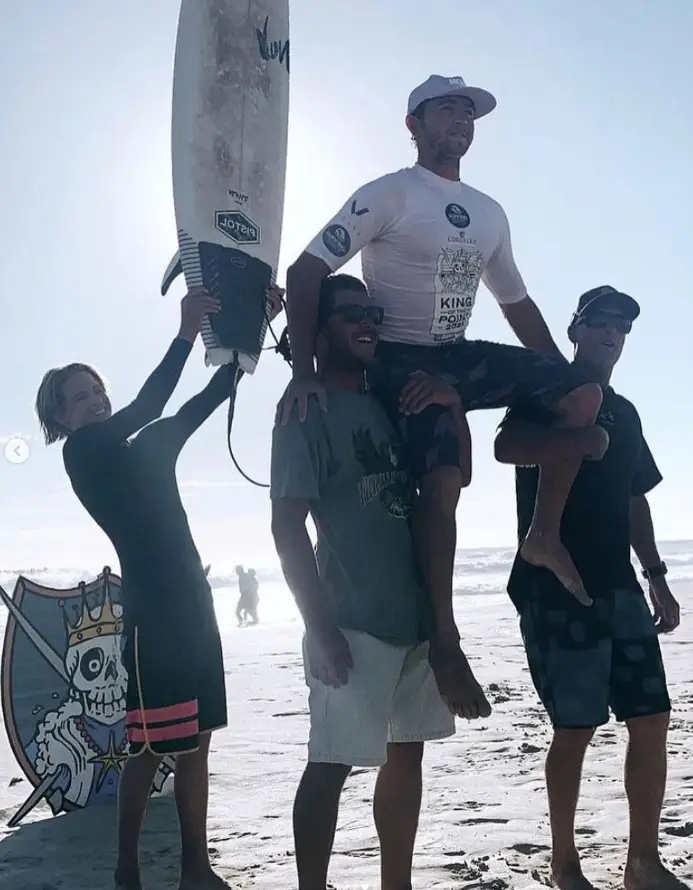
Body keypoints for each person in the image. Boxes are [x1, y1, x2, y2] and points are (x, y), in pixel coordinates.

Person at [279, 73, 601, 714]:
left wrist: (568, 377)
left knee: (584, 398)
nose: (461, 118)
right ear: (414, 124)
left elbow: (517, 304)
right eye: (446, 108)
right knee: (446, 481)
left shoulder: (488, 212)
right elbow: (307, 269)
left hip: (456, 356)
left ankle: (542, 532)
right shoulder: (389, 193)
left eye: (469, 111)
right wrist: (306, 371)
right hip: (397, 356)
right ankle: (447, 640)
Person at [35, 287, 283, 890]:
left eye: (96, 390)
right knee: (149, 747)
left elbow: (202, 402)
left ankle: (196, 866)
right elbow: (150, 402)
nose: (93, 401)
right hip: (153, 621)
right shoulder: (83, 455)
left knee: (195, 743)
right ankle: (127, 867)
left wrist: (250, 332)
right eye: (78, 398)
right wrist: (183, 332)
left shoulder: (145, 450)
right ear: (60, 418)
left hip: (195, 605)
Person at [271, 273, 487, 890]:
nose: (368, 322)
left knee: (408, 750)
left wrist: (451, 405)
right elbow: (286, 526)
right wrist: (320, 629)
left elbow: (457, 478)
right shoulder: (303, 410)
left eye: (373, 313)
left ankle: (398, 883)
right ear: (318, 329)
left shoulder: (392, 399)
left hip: (413, 613)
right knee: (331, 763)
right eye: (350, 314)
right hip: (352, 618)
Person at [495, 286, 682, 890]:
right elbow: (506, 447)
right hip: (554, 584)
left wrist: (657, 577)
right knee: (575, 727)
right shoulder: (547, 391)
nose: (611, 334)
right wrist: (575, 439)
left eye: (621, 327)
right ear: (575, 330)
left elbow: (635, 499)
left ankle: (643, 863)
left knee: (652, 718)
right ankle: (565, 864)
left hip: (619, 584)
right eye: (600, 323)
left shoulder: (625, 412)